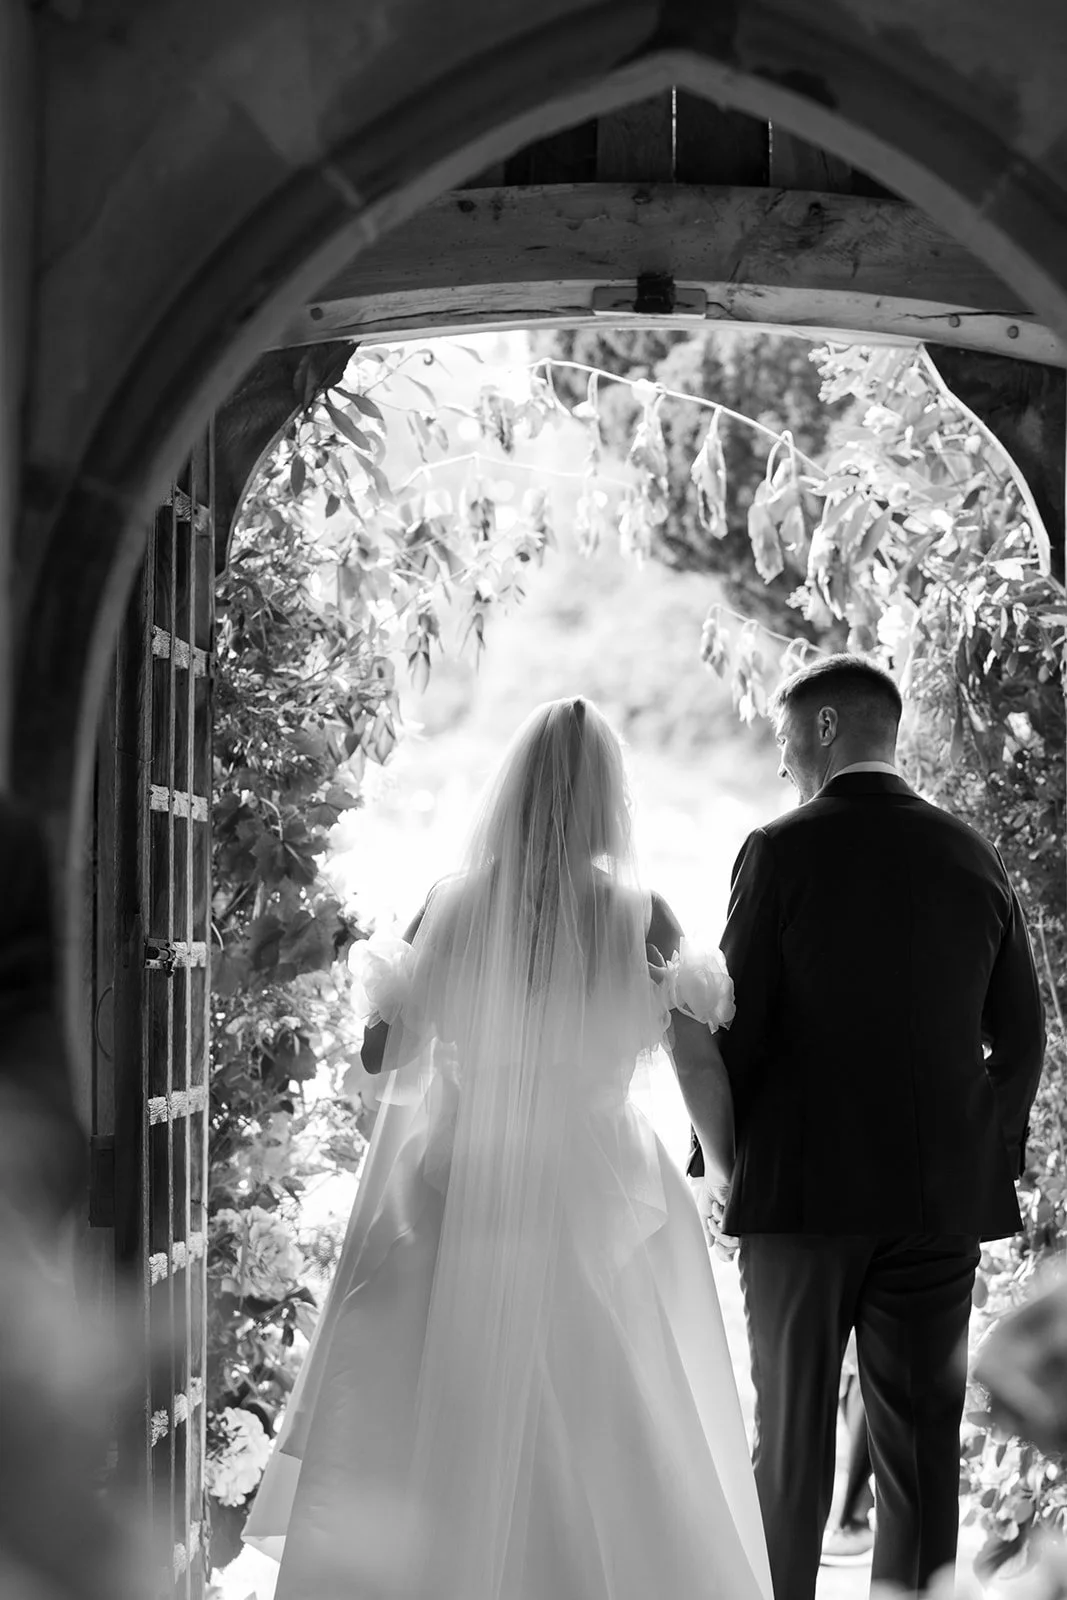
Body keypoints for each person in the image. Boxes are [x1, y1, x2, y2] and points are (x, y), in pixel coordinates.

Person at [244, 698, 773, 1600]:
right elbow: (698, 1068)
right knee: (608, 1404)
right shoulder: (641, 915)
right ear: (611, 801)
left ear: (514, 793)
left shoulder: (452, 908)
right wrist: (729, 1181)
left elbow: (383, 1059)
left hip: (459, 1176)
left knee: (433, 1396)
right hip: (600, 1185)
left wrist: (414, 1002)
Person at [693, 653, 1046, 1600]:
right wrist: (979, 1154)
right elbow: (1022, 1036)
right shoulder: (973, 855)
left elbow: (738, 1025)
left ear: (822, 729)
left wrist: (723, 1165)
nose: (780, 768)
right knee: (924, 1451)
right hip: (934, 1206)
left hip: (800, 1201)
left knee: (793, 1451)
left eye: (781, 742)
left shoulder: (778, 850)